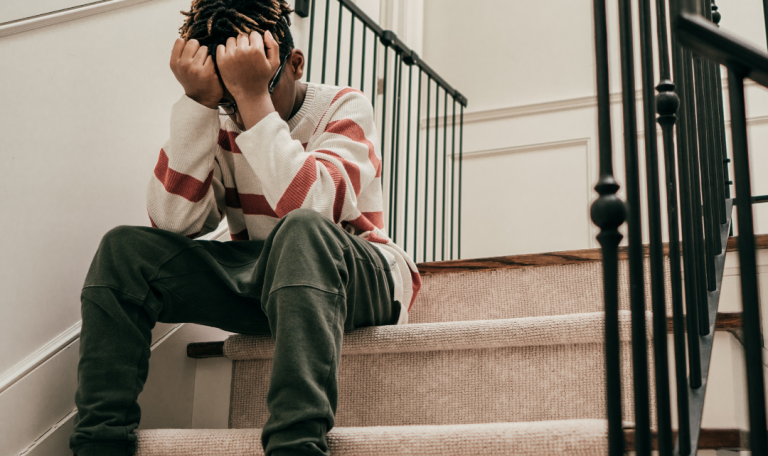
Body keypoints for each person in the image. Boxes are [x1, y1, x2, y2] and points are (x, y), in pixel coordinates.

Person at [68, 1, 421, 455]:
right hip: (269, 281)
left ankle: (295, 444)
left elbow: (317, 207)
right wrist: (199, 104)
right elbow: (173, 221)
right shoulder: (222, 117)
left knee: (301, 232)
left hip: (359, 275)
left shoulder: (343, 105)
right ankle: (99, 444)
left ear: (294, 64)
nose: (237, 107)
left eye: (252, 83)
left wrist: (254, 100)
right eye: (228, 92)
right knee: (123, 250)